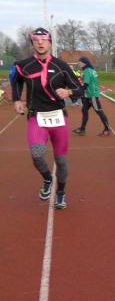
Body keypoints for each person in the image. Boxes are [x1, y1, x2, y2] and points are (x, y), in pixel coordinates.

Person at [12, 28, 84, 209]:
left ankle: (60, 193)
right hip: (36, 117)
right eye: (36, 39)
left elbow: (80, 89)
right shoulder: (24, 65)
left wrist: (68, 92)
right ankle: (47, 179)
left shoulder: (61, 66)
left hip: (58, 117)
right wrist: (17, 99)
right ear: (32, 43)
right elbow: (16, 79)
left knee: (61, 161)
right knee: (37, 154)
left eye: (44, 39)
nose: (40, 42)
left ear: (50, 42)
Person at [72, 57, 111, 136]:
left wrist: (77, 92)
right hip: (88, 95)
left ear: (84, 63)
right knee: (84, 110)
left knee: (99, 111)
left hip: (92, 95)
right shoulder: (91, 70)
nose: (79, 64)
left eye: (80, 62)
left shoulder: (87, 71)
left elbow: (86, 84)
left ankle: (107, 129)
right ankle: (82, 129)